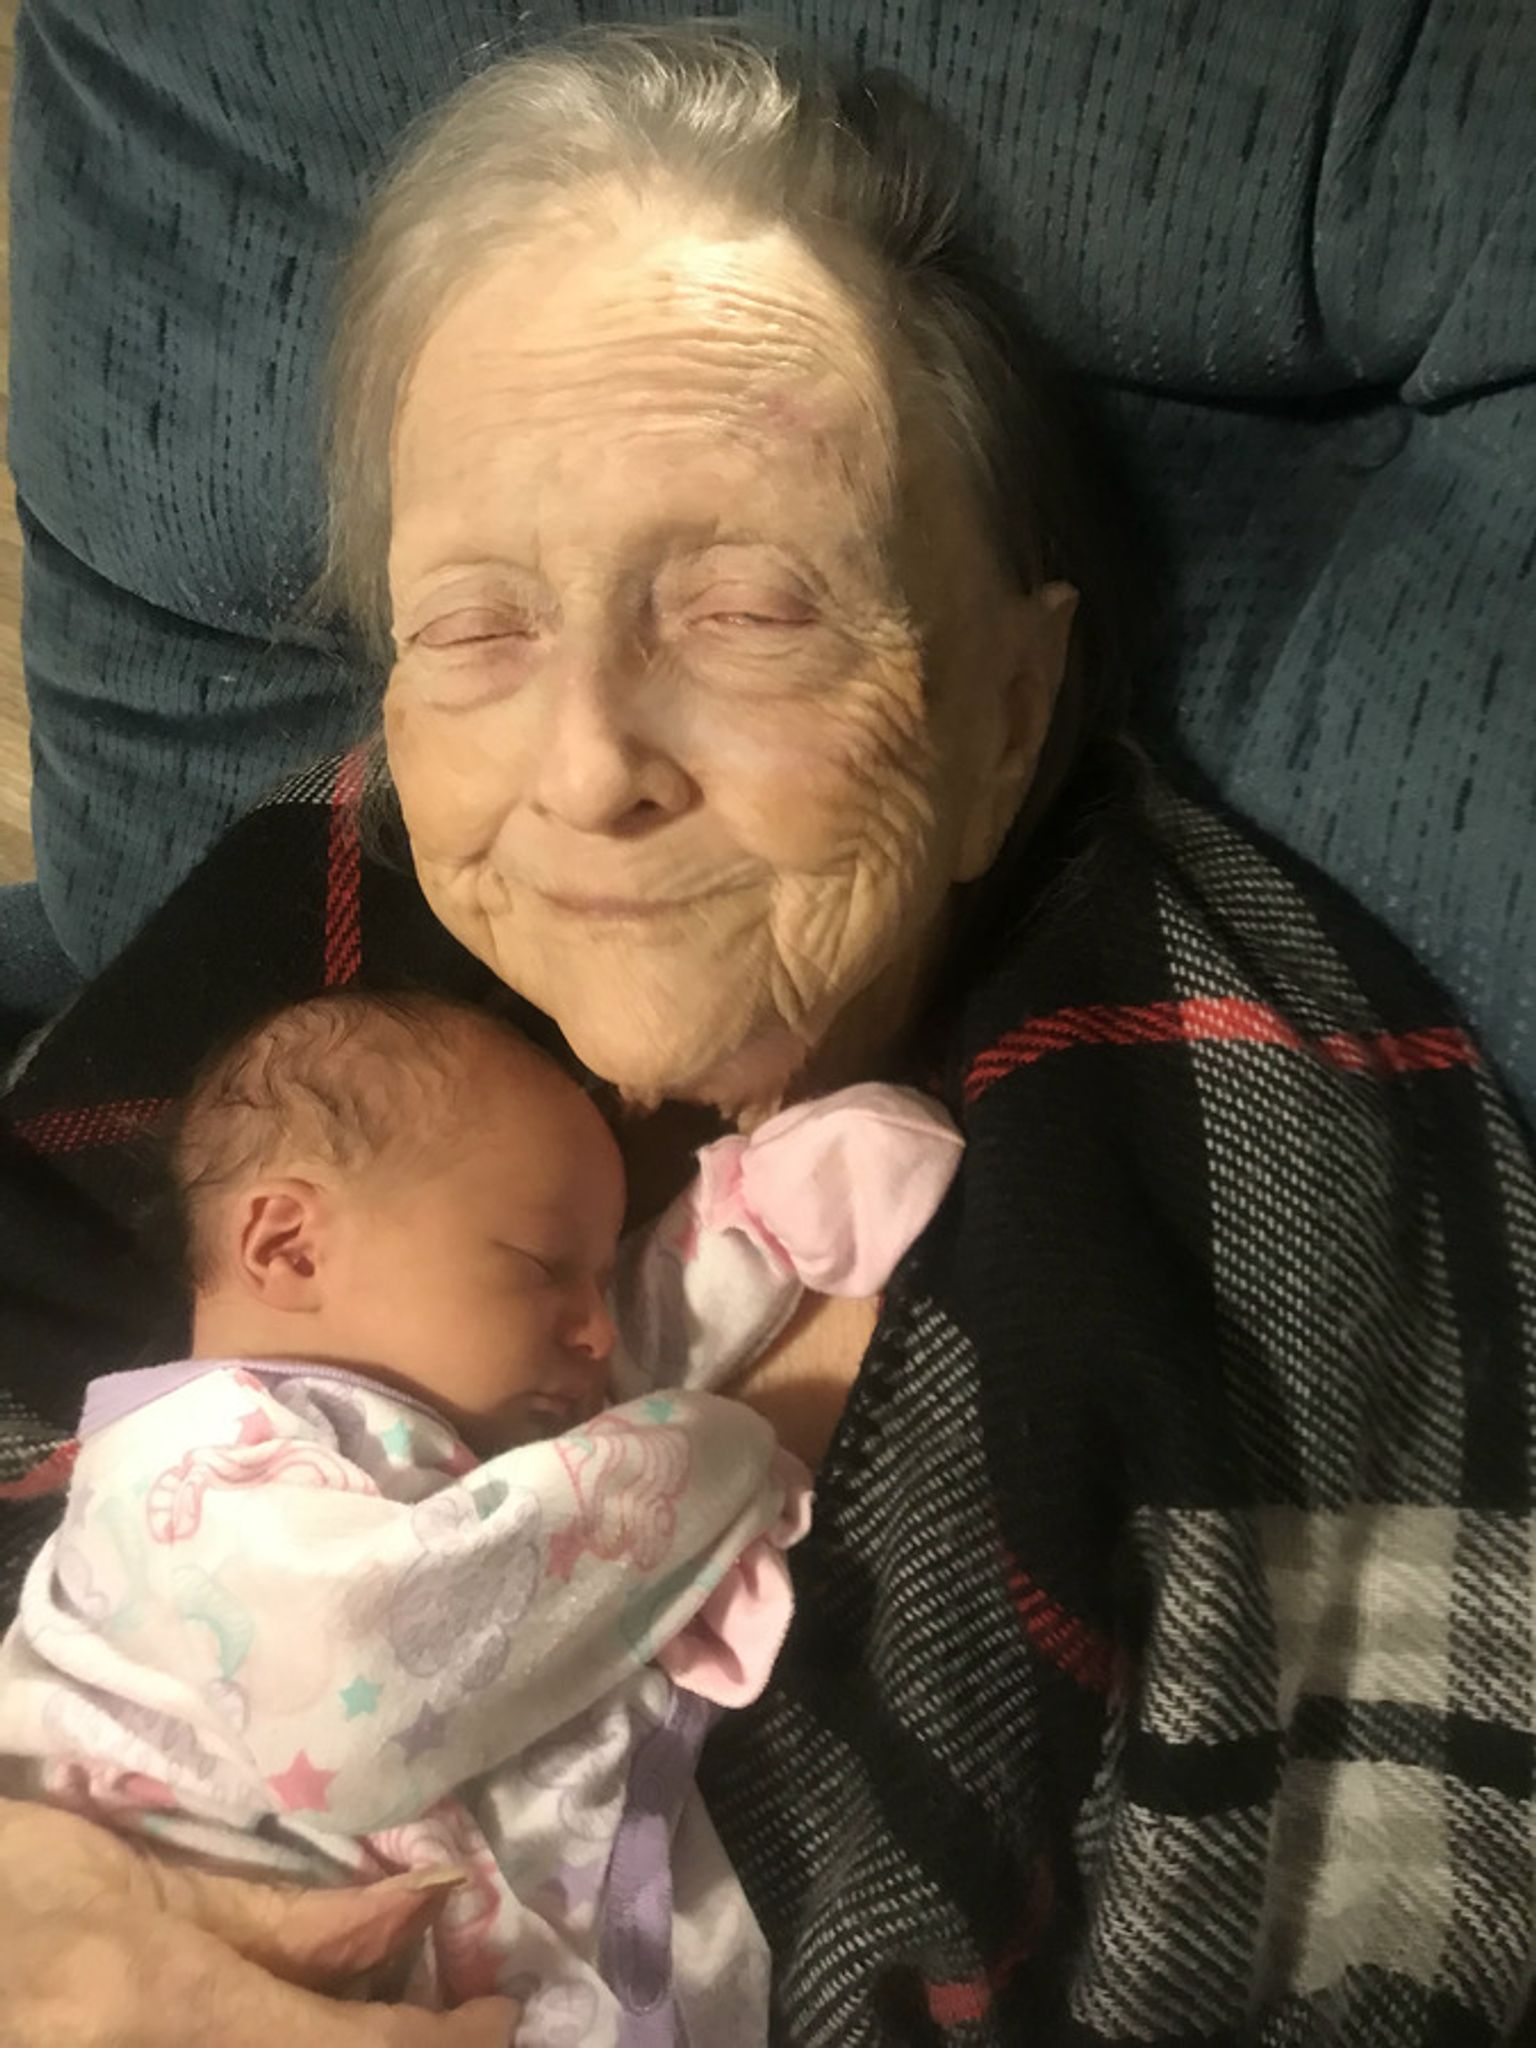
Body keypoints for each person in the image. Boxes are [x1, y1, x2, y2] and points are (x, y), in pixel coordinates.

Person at [0, 23, 1532, 2048]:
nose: (584, 765)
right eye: (472, 625)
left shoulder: (1252, 1158)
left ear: (1006, 706)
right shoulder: (321, 931)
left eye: (743, 608)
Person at [0, 986, 961, 2042]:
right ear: (289, 1247)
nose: (596, 1328)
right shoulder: (185, 1473)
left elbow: (615, 1380)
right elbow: (359, 1681)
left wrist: (762, 1225)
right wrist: (714, 1458)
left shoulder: (443, 1408)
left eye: (602, 1274)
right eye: (547, 1268)